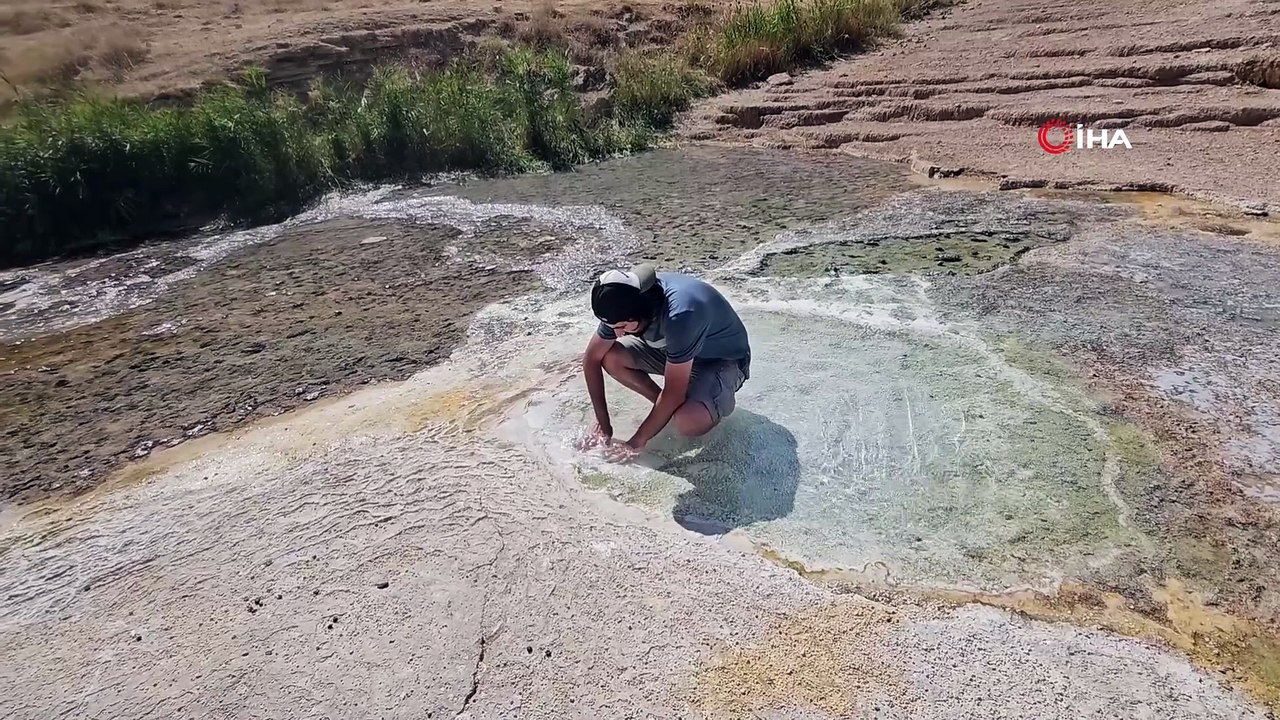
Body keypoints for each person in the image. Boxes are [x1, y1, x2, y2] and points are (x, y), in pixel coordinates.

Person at [581, 263, 752, 462]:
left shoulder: (681, 315)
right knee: (611, 357)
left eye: (621, 326)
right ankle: (666, 410)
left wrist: (636, 441)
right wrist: (603, 424)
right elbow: (592, 359)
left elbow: (673, 393)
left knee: (688, 421)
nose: (617, 333)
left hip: (720, 360)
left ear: (638, 313)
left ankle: (702, 406)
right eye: (612, 326)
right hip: (674, 352)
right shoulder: (621, 298)